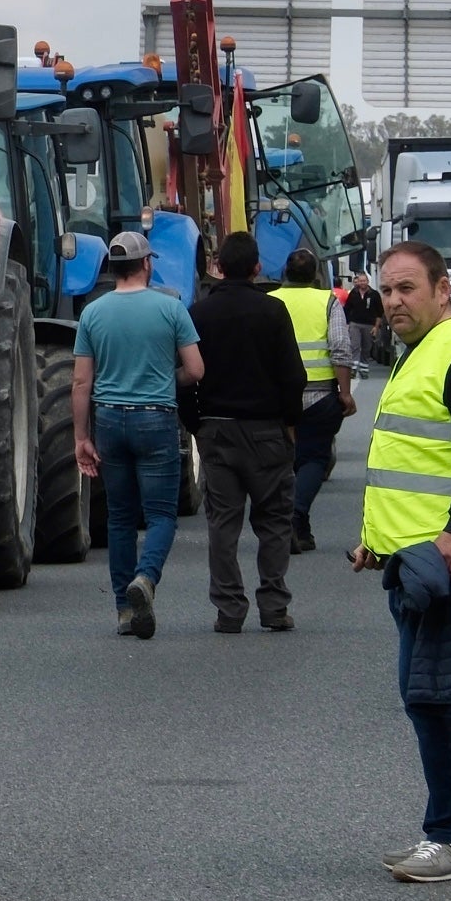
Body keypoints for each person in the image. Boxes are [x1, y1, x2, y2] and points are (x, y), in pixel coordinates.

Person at [353, 240, 451, 884]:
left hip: (442, 562)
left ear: (442, 289)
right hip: (414, 560)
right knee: (444, 692)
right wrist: (377, 542)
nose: (393, 301)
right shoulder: (419, 352)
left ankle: (448, 835)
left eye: (407, 289)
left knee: (435, 700)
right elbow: (413, 465)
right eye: (387, 290)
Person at [72, 228, 205, 639]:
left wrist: (81, 437)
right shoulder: (171, 308)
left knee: (120, 518)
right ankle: (145, 579)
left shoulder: (92, 313)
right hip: (156, 417)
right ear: (146, 264)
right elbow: (196, 370)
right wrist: (165, 379)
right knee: (162, 514)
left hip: (109, 420)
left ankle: (123, 611)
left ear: (113, 269)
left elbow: (80, 382)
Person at [188, 231, 307, 632]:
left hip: (217, 430)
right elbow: (294, 376)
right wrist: (289, 423)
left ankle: (229, 610)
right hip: (266, 430)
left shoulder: (199, 313)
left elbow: (187, 376)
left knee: (223, 523)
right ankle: (273, 606)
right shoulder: (272, 311)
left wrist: (196, 424)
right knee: (273, 521)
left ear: (218, 267)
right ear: (257, 267)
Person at [275, 248, 359, 552]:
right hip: (320, 394)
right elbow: (340, 347)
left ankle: (296, 524)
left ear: (285, 272)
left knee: (283, 459)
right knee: (313, 458)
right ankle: (296, 517)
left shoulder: (271, 300)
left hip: (277, 395)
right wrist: (345, 392)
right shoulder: (328, 301)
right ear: (315, 275)